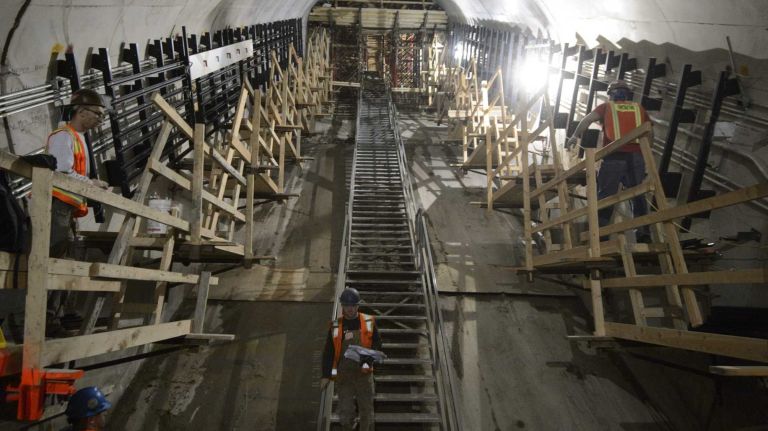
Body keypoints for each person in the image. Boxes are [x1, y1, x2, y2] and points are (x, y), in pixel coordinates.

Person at [45, 89, 109, 331]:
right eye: (97, 114)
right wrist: (91, 184)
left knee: (66, 260)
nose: (99, 120)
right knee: (54, 260)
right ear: (81, 111)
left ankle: (59, 315)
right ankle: (46, 319)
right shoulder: (63, 136)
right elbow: (61, 173)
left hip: (69, 210)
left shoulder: (79, 137)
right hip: (57, 207)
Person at [566, 80, 652, 242]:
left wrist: (574, 136)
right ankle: (643, 234)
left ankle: (600, 236)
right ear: (628, 93)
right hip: (636, 157)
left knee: (606, 197)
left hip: (614, 156)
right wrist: (647, 159)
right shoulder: (638, 108)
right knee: (638, 195)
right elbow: (649, 132)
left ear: (611, 94)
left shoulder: (607, 107)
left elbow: (587, 120)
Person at [321, 288, 382, 431]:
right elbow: (329, 351)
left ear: (358, 305)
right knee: (345, 413)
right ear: (342, 306)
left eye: (353, 305)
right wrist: (325, 375)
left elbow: (377, 343)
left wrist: (370, 357)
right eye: (347, 306)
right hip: (344, 376)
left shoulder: (368, 321)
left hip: (364, 373)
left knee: (366, 411)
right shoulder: (336, 326)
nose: (350, 309)